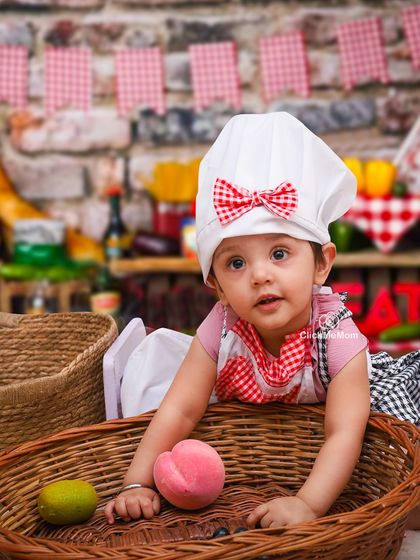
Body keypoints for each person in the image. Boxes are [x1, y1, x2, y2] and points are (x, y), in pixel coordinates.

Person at [105, 112, 420, 528]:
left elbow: (344, 432)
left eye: (279, 253)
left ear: (321, 265)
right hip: (270, 447)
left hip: (360, 414)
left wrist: (307, 504)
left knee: (402, 489)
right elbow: (179, 410)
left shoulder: (337, 335)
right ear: (216, 286)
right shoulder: (221, 327)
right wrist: (135, 483)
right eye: (236, 262)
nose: (259, 275)